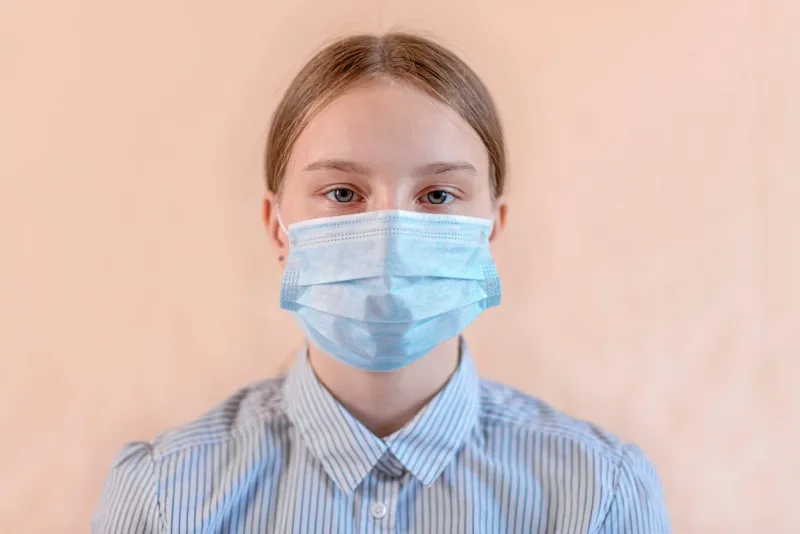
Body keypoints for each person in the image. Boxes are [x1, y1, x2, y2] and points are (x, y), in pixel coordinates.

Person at [92, 32, 671, 533]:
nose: (390, 235)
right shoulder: (164, 497)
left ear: (490, 230)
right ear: (277, 228)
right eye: (343, 194)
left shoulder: (600, 494)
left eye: (438, 195)